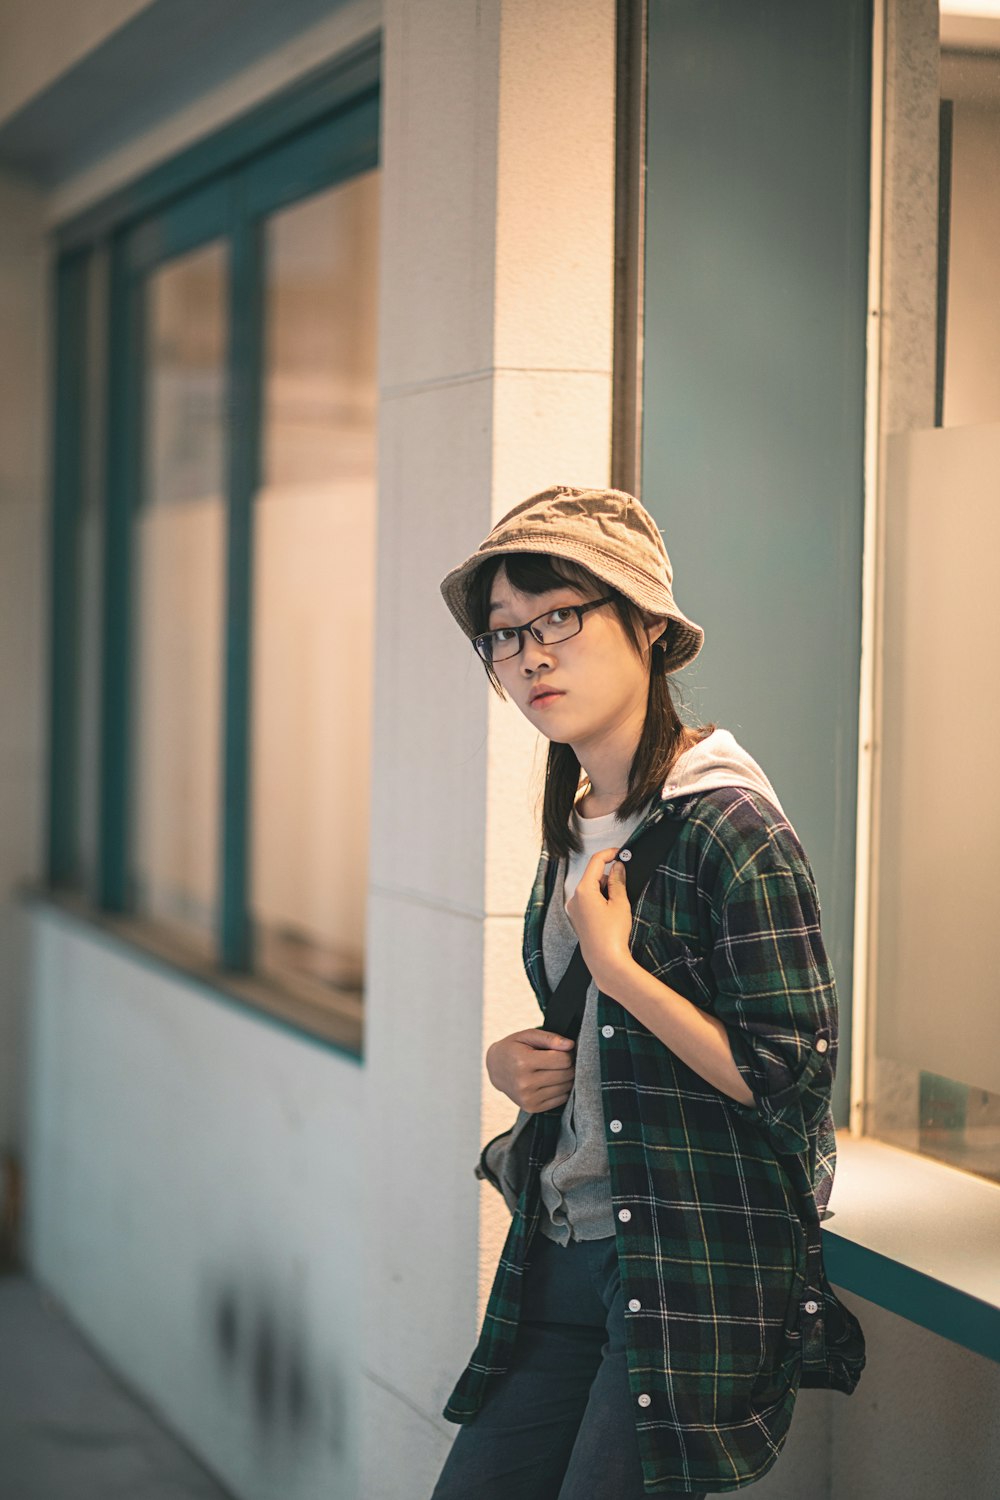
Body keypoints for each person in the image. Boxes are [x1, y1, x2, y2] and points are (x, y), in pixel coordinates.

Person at [429, 485, 865, 1499]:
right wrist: (520, 1061)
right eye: (503, 636)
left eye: (559, 619)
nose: (531, 655)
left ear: (650, 627)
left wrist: (620, 972)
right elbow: (601, 1039)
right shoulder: (581, 815)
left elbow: (789, 1080)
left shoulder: (729, 826)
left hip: (682, 1263)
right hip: (565, 1242)